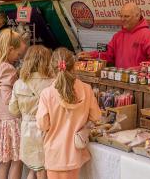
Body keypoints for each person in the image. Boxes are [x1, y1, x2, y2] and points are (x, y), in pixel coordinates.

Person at [36, 48, 101, 179]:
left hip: (54, 154)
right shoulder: (87, 89)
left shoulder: (47, 94)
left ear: (52, 68)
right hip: (75, 153)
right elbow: (96, 117)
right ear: (75, 66)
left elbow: (43, 125)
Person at [0, 29, 27, 179]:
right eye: (18, 54)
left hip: (0, 120)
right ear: (10, 49)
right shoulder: (7, 68)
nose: (18, 58)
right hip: (12, 121)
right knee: (17, 160)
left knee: (4, 161)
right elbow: (8, 99)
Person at [79, 2, 150, 73]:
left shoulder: (148, 35)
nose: (122, 19)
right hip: (122, 83)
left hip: (143, 84)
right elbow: (108, 52)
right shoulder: (117, 36)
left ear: (137, 16)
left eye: (126, 16)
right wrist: (90, 55)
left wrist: (140, 69)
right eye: (121, 16)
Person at [9, 45, 53, 179]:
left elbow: (13, 110)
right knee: (42, 170)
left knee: (35, 168)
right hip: (47, 130)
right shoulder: (52, 82)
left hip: (27, 130)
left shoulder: (19, 83)